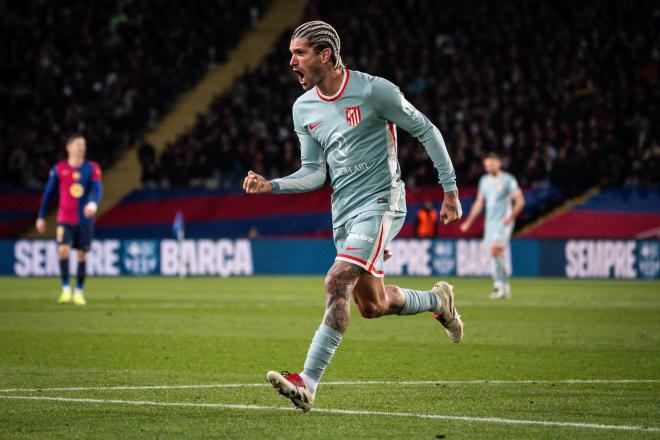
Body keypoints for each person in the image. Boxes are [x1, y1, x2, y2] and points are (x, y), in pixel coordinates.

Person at [242, 21, 463, 412]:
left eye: (299, 53)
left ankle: (306, 382)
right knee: (372, 306)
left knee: (337, 277)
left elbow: (427, 130)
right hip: (343, 213)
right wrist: (271, 185)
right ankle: (437, 300)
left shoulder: (375, 91)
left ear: (325, 55)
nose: (291, 60)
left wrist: (450, 190)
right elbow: (314, 172)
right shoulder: (303, 108)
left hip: (382, 202)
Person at [36, 134, 103, 305]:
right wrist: (41, 216)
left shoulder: (92, 168)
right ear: (69, 147)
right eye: (78, 144)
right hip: (64, 219)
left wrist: (93, 205)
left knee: (82, 255)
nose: (82, 148)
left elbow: (97, 190)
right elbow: (48, 193)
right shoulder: (59, 169)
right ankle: (66, 289)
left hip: (84, 221)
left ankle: (79, 291)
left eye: (84, 145)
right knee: (63, 251)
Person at [460, 152, 525, 299]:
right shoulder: (484, 181)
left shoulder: (508, 180)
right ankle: (504, 284)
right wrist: (469, 222)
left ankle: (498, 286)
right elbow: (479, 203)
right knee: (494, 254)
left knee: (496, 251)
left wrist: (510, 217)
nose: (488, 168)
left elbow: (520, 201)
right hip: (490, 223)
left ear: (499, 163)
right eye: (486, 165)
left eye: (491, 164)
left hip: (503, 222)